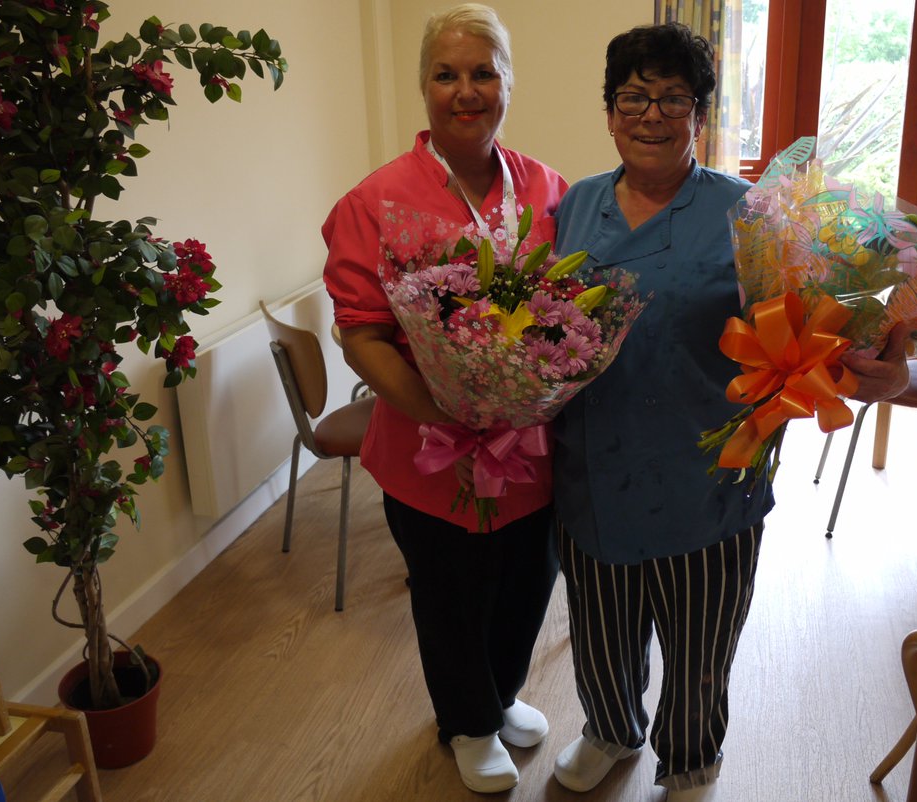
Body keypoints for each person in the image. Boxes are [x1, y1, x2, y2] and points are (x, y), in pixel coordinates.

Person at [548, 23, 910, 802]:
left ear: (701, 115)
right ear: (609, 111)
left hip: (712, 471)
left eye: (674, 98)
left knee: (701, 640)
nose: (652, 114)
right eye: (633, 96)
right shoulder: (571, 209)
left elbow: (824, 338)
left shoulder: (756, 216)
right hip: (593, 468)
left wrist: (881, 369)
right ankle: (611, 728)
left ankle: (689, 759)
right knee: (602, 628)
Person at [321, 4, 567, 795]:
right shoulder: (375, 200)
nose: (467, 90)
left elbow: (571, 314)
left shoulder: (548, 189)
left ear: (507, 83)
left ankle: (500, 694)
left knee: (527, 583)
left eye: (484, 72)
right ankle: (465, 721)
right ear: (423, 88)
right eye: (446, 74)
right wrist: (442, 407)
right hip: (430, 448)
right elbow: (361, 334)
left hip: (529, 448)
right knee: (450, 591)